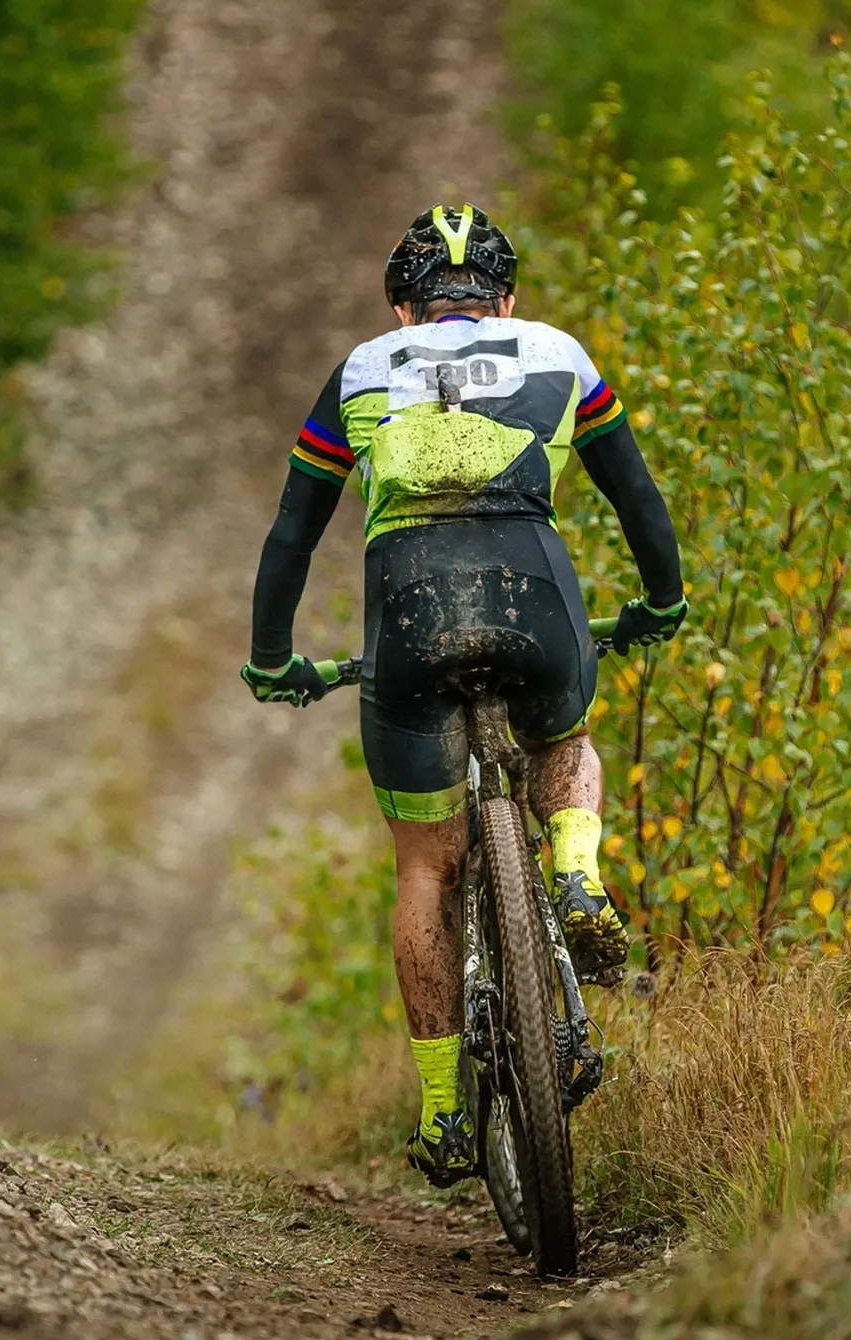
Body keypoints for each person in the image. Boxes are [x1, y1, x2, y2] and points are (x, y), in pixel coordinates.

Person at [241, 203, 685, 1185]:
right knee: (564, 742)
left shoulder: (362, 367)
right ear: (506, 297)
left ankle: (445, 1111)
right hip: (538, 600)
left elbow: (289, 535)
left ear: (402, 306)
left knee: (424, 869)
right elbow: (637, 497)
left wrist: (274, 657)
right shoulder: (558, 351)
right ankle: (575, 868)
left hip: (407, 619)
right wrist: (663, 600)